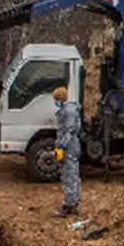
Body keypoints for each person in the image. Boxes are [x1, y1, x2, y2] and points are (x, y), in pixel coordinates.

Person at [53, 86, 82, 217]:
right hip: (71, 146)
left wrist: (62, 145)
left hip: (69, 147)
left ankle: (69, 204)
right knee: (72, 174)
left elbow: (69, 130)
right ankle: (73, 202)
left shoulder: (68, 111)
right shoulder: (69, 109)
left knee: (69, 175)